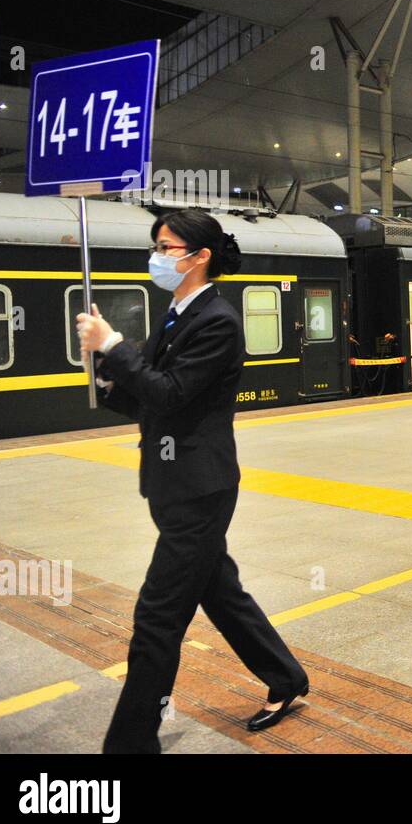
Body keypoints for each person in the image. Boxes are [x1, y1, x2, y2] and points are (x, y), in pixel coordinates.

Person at [75, 211, 308, 754]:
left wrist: (115, 346)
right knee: (218, 591)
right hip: (171, 480)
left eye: (166, 246)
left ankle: (131, 744)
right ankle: (287, 677)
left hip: (199, 489)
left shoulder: (218, 320)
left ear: (198, 255)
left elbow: (173, 393)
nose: (157, 256)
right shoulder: (178, 313)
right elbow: (149, 397)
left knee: (157, 618)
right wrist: (105, 375)